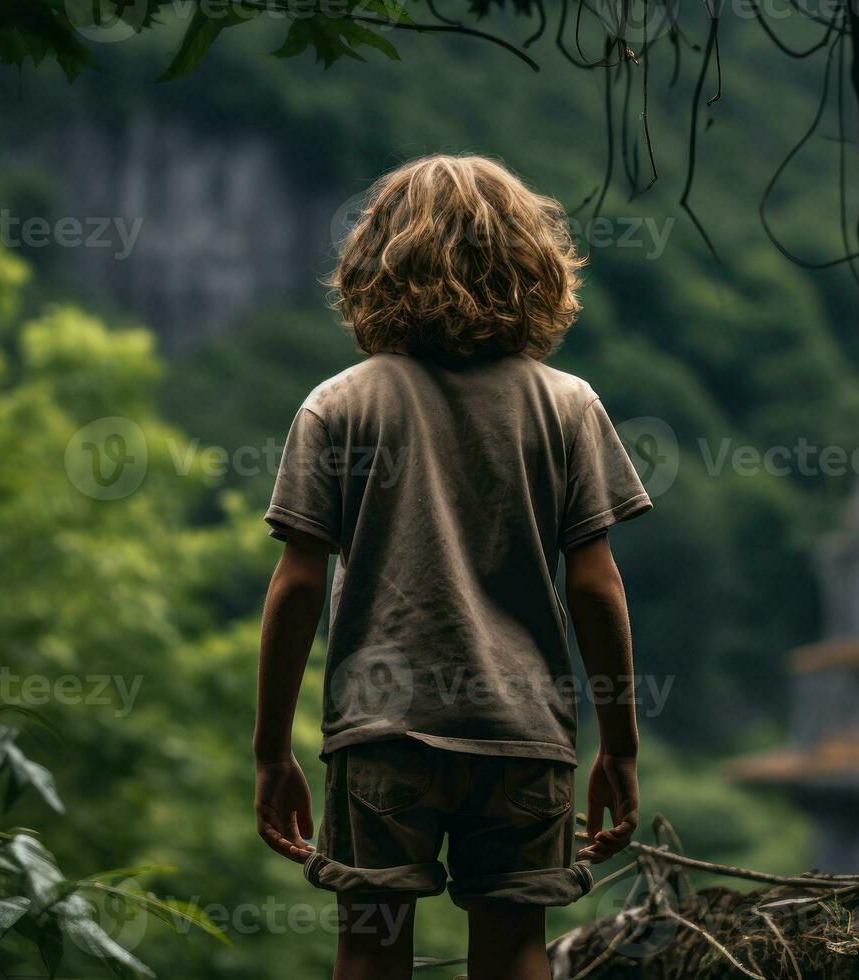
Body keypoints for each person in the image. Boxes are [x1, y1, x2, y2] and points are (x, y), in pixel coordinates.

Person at [253, 154, 650, 980]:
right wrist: (620, 746)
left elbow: (296, 586)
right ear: (531, 264)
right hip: (522, 732)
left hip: (381, 729)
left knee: (371, 944)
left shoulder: (338, 404)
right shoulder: (567, 405)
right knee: (514, 948)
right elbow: (594, 587)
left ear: (375, 264)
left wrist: (270, 751)